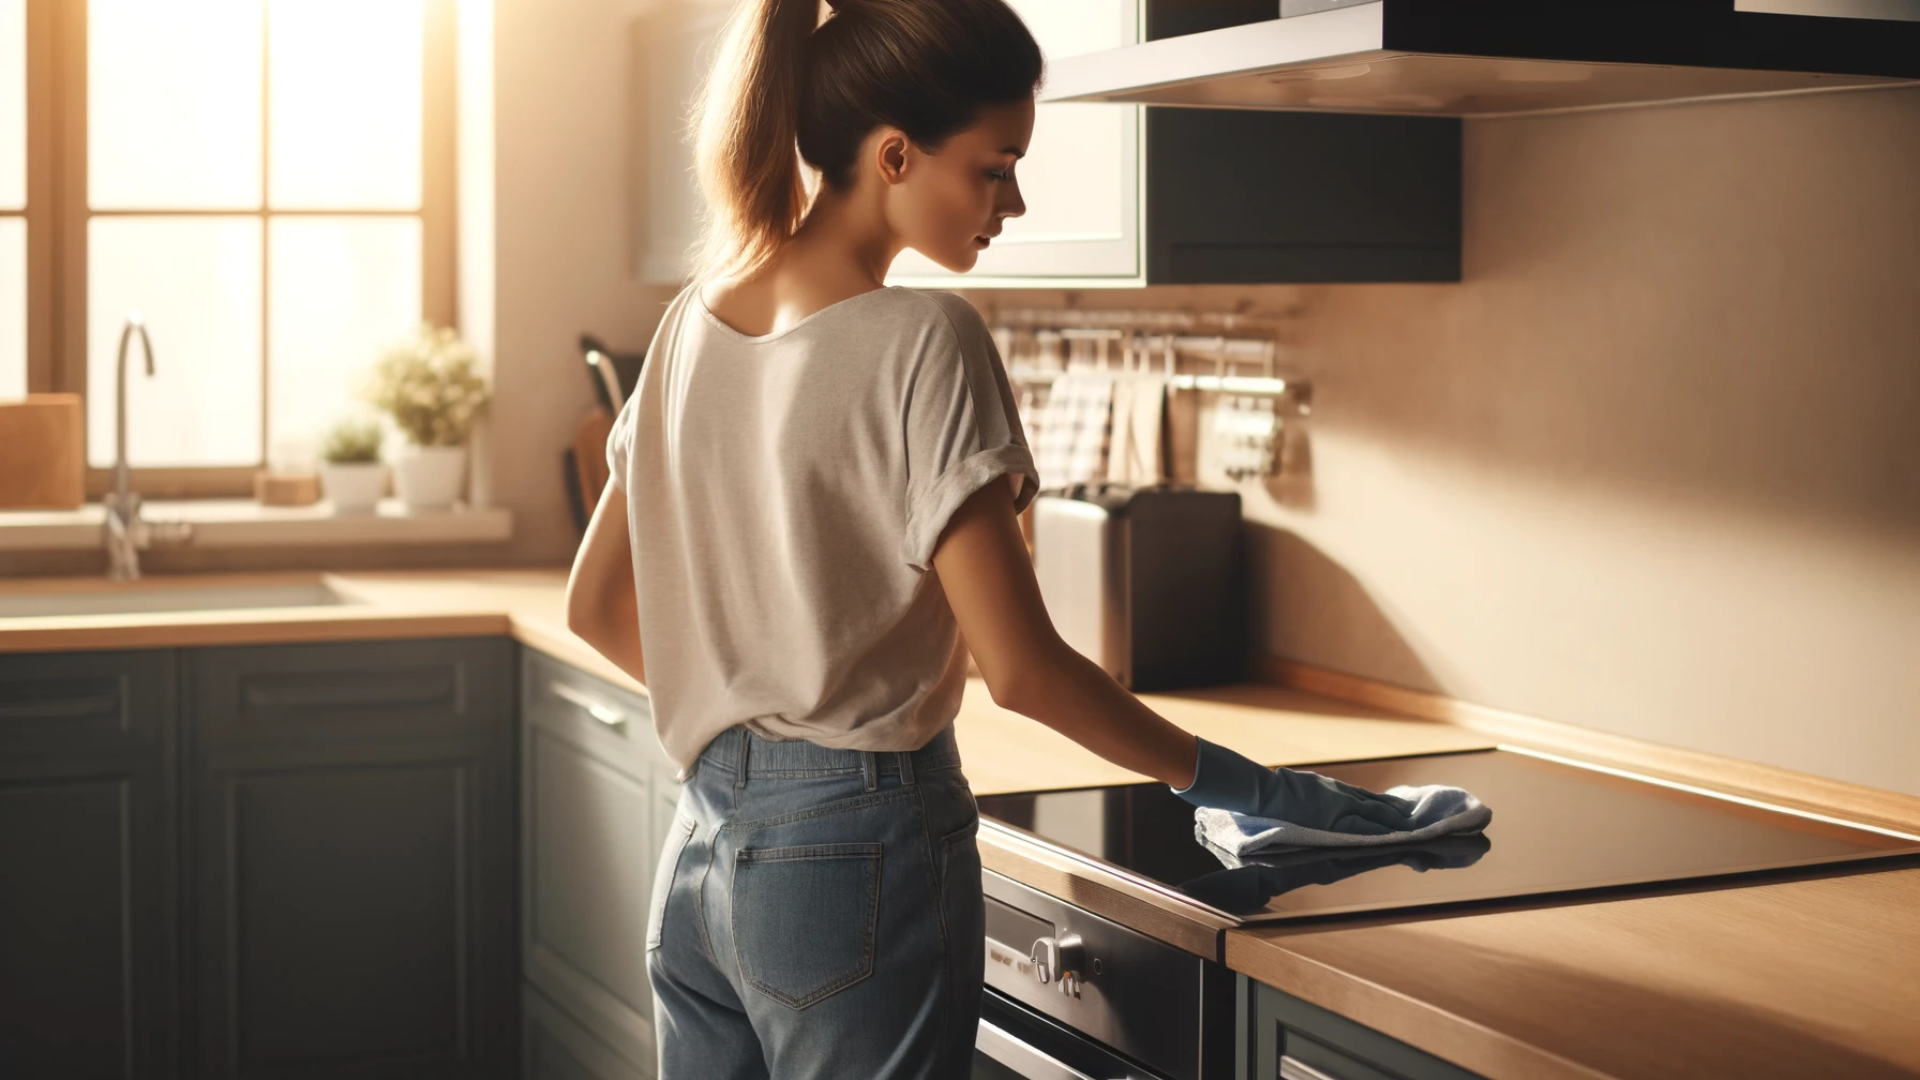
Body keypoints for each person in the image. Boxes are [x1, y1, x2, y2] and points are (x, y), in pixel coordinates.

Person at [563, 0, 1436, 1075]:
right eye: (994, 167)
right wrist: (1250, 788)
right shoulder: (927, 340)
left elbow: (595, 608)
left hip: (700, 855)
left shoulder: (689, 322)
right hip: (856, 859)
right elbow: (1020, 670)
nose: (1013, 202)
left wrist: (754, 722)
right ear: (894, 154)